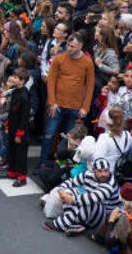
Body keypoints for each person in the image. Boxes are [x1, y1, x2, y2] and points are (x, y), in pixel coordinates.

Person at [42, 32, 95, 163]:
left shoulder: (88, 63)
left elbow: (89, 86)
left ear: (81, 46)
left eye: (73, 46)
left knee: (70, 140)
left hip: (75, 107)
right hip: (57, 105)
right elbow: (51, 82)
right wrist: (52, 102)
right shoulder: (59, 59)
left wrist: (85, 107)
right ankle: (42, 163)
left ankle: (64, 166)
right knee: (48, 135)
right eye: (69, 46)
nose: (69, 49)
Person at [44, 158, 121, 235]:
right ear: (94, 171)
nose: (103, 174)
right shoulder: (88, 174)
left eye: (106, 171)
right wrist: (62, 191)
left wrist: (72, 198)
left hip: (104, 216)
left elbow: (93, 198)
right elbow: (72, 181)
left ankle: (61, 224)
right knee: (69, 191)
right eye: (100, 171)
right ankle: (75, 224)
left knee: (88, 203)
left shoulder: (110, 184)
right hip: (90, 212)